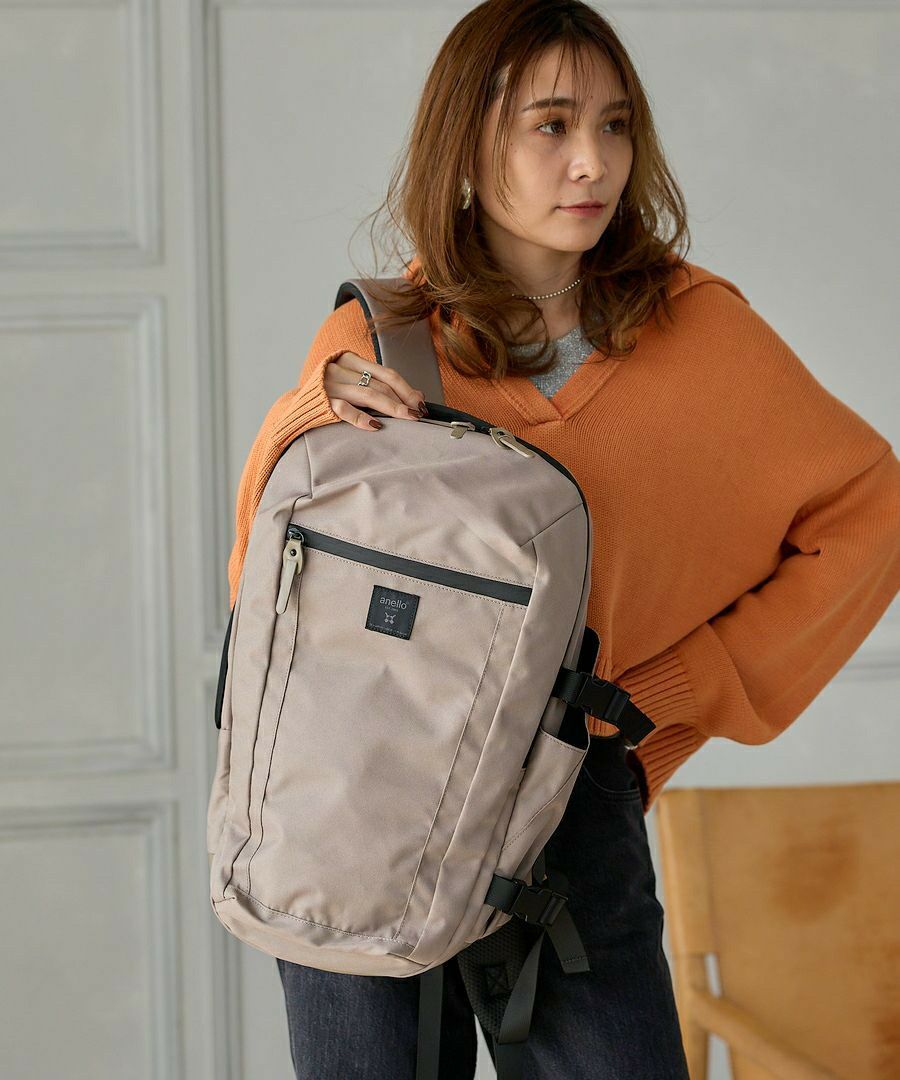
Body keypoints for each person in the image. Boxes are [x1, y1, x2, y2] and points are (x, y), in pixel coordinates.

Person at [225, 1, 900, 1076]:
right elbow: (271, 587)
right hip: (363, 789)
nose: (593, 161)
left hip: (568, 800)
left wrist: (673, 697)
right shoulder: (382, 336)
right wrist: (308, 412)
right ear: (469, 141)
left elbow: (871, 509)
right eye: (551, 125)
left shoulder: (700, 332)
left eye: (615, 124)